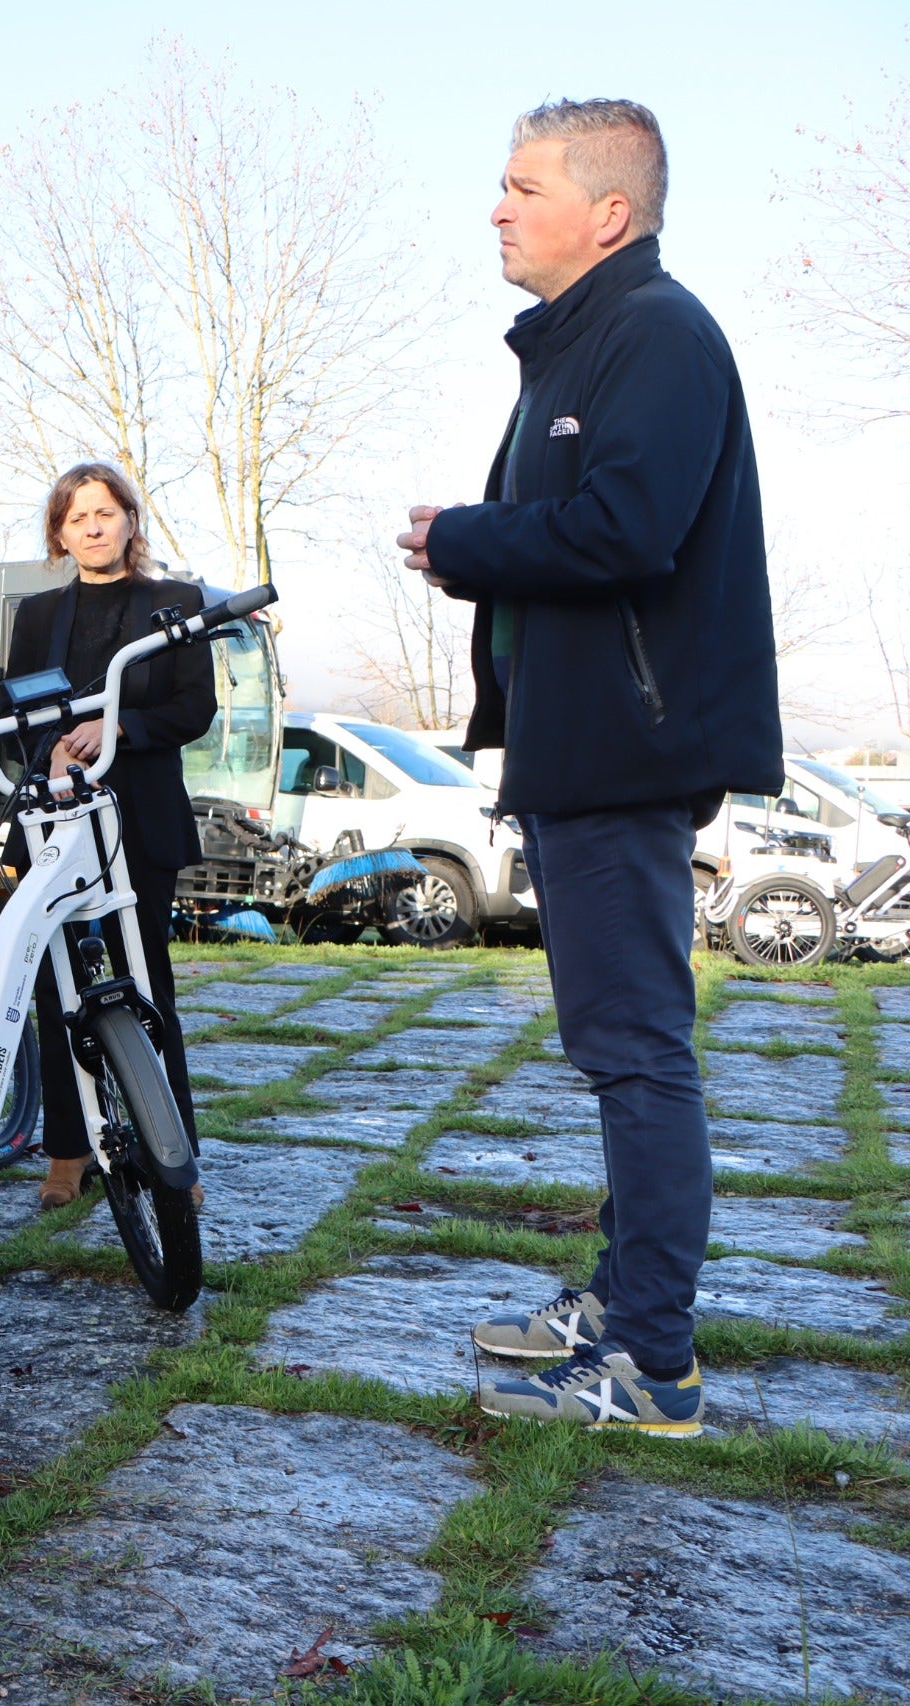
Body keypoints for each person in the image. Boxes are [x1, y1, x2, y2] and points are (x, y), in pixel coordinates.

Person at [397, 100, 781, 1434]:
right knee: (618, 1047)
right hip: (579, 749)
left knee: (637, 1052)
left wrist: (465, 537)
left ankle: (653, 1361)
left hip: (628, 746)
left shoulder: (657, 333)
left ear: (607, 213)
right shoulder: (581, 343)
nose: (495, 207)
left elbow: (625, 528)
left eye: (522, 186)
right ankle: (619, 1302)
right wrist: (474, 551)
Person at [3, 464, 215, 1209]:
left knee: (147, 982)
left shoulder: (176, 603)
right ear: (59, 535)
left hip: (141, 818)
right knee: (56, 984)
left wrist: (117, 727)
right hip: (56, 818)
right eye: (76, 518)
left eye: (104, 512)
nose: (92, 527)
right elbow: (13, 717)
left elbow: (195, 708)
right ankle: (67, 1151)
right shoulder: (36, 616)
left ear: (130, 519)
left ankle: (172, 1153)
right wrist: (49, 753)